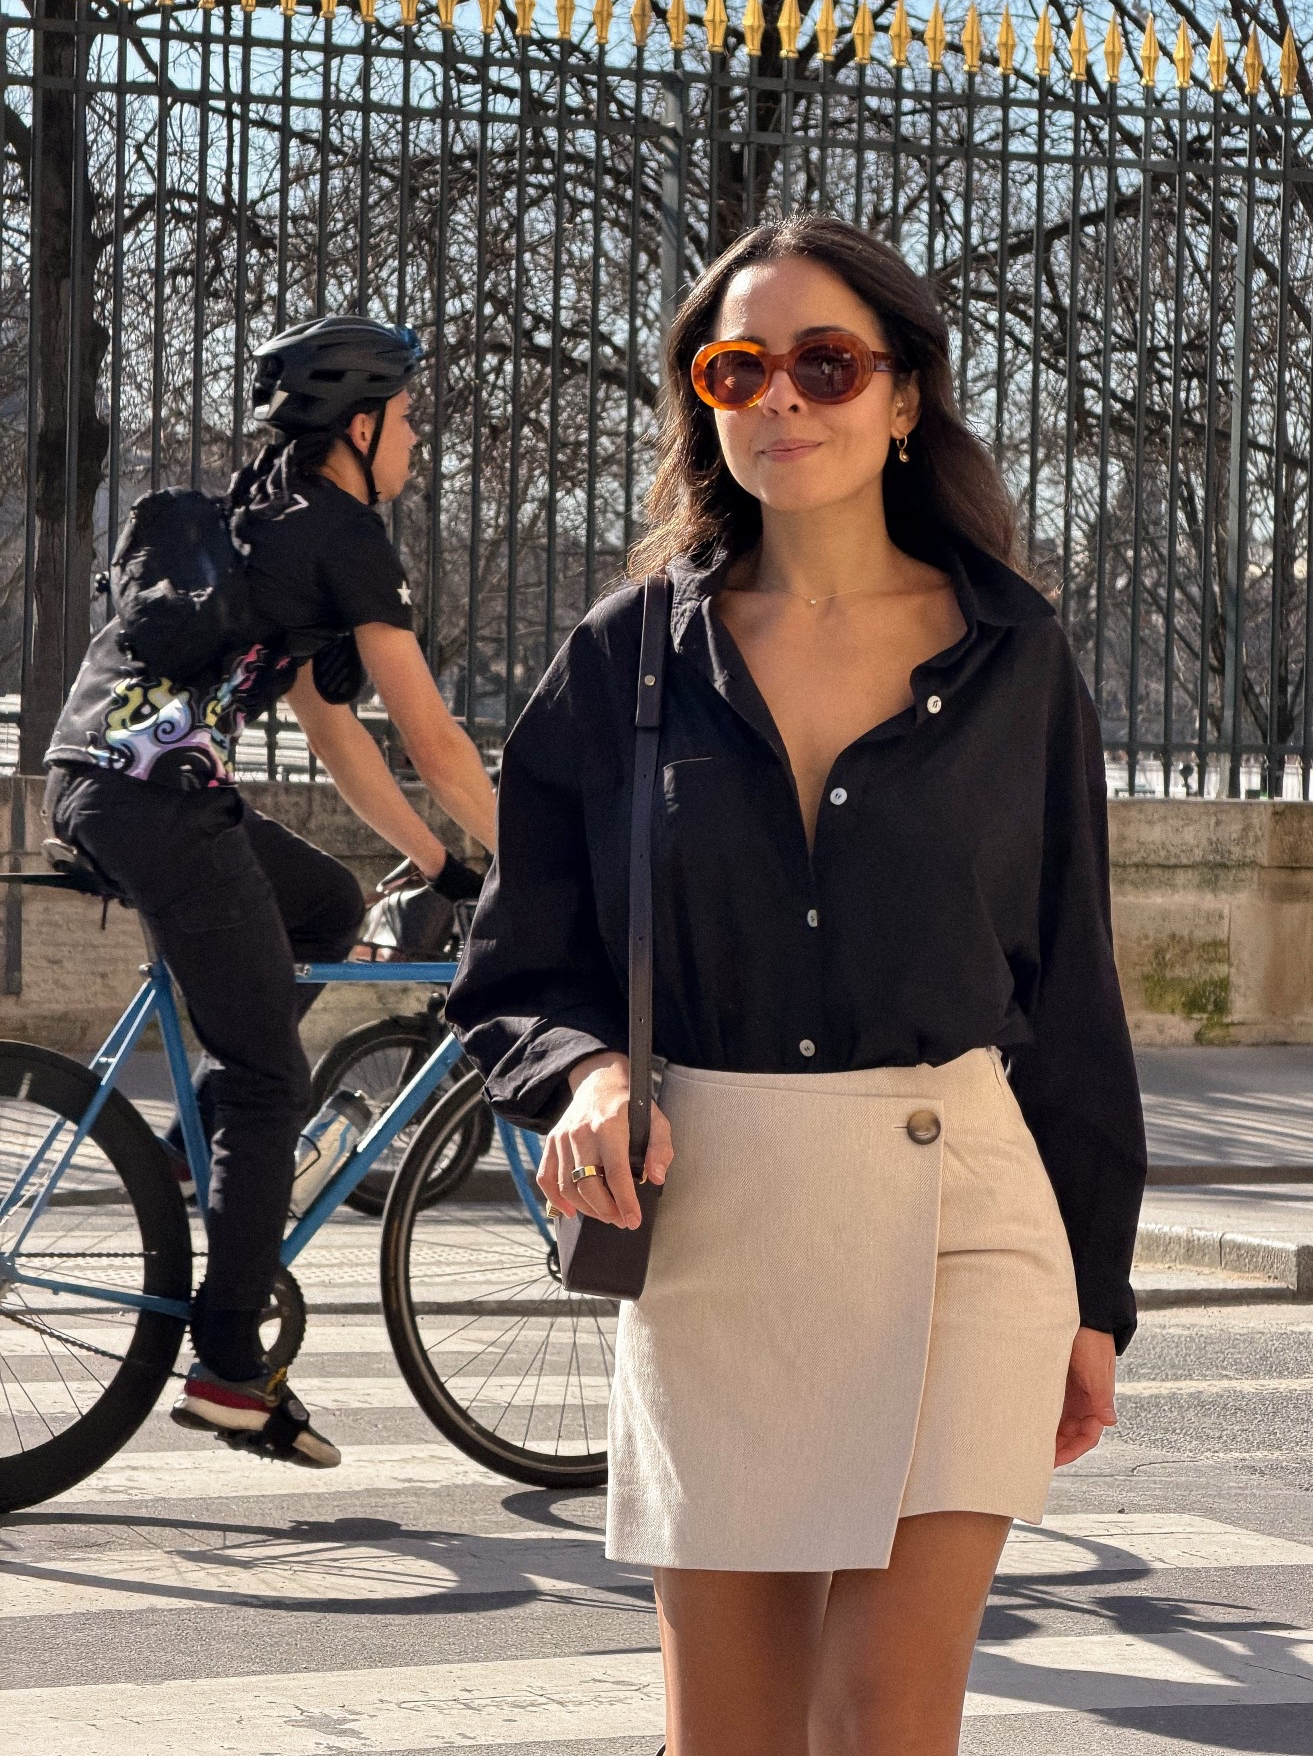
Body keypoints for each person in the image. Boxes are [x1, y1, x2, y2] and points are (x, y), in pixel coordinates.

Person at [450, 214, 1146, 1755]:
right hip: (720, 1229)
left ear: (905, 398)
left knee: (884, 1724)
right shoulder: (626, 661)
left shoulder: (1015, 657)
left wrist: (1097, 1297)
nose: (784, 398)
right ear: (704, 401)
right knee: (739, 1739)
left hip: (961, 1209)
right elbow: (522, 964)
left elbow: (1075, 997)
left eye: (827, 363)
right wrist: (591, 1077)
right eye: (738, 365)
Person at [44, 315, 497, 1467]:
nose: (418, 445)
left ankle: (201, 1159)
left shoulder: (266, 516)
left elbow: (338, 734)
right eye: (410, 422)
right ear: (361, 424)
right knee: (267, 1077)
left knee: (330, 906)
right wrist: (543, 866)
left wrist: (447, 862)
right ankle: (232, 1368)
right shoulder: (343, 534)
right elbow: (436, 741)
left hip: (104, 779)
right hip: (156, 799)